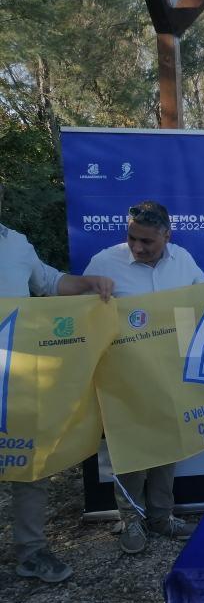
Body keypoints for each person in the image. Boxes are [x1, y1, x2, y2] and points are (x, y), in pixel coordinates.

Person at [0, 182, 114, 582]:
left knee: (27, 459)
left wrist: (87, 282)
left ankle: (31, 552)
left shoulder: (15, 242)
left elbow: (47, 281)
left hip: (16, 371)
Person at [84, 200, 204, 554]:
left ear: (167, 235)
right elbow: (81, 314)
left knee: (167, 445)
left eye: (147, 242)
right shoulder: (104, 263)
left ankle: (161, 517)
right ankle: (132, 519)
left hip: (170, 374)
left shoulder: (182, 260)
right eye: (132, 238)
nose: (138, 247)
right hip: (124, 379)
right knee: (131, 452)